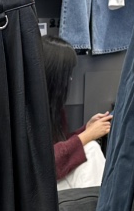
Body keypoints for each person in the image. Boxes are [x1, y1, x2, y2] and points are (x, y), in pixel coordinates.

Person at [40, 35, 112, 188]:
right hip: (36, 190)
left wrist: (86, 129)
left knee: (90, 147)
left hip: (48, 184)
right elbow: (42, 164)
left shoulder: (53, 109)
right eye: (68, 75)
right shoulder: (23, 114)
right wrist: (87, 135)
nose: (70, 80)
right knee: (91, 150)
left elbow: (61, 145)